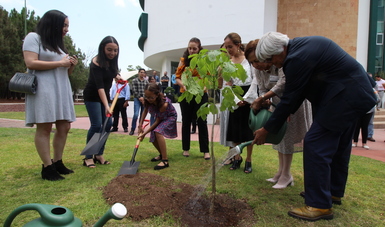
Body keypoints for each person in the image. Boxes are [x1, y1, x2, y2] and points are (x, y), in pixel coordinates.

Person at [252, 32, 376, 221]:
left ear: (280, 50)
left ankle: (319, 205)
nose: (272, 64)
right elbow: (299, 93)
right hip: (353, 94)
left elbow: (291, 98)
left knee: (315, 144)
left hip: (345, 97)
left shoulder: (296, 58)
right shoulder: (302, 46)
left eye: (271, 59)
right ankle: (332, 192)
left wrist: (266, 129)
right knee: (338, 146)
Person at [244, 39, 312, 186]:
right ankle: (280, 172)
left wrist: (264, 97)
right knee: (279, 137)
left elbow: (284, 82)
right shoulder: (258, 70)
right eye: (252, 63)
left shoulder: (279, 63)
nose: (256, 65)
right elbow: (261, 88)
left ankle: (286, 175)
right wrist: (265, 100)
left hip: (292, 104)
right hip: (276, 105)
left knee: (287, 137)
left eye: (257, 60)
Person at [22, 10, 78, 181]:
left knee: (64, 127)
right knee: (45, 128)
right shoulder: (34, 38)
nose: (66, 29)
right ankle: (47, 167)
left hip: (61, 89)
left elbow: (65, 72)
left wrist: (70, 65)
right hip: (43, 89)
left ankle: (57, 161)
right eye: (64, 25)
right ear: (53, 23)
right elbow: (30, 62)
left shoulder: (58, 45)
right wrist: (60, 62)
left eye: (68, 26)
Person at [82, 36, 121, 168]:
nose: (112, 53)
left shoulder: (112, 62)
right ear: (102, 48)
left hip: (104, 96)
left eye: (115, 50)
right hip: (92, 96)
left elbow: (113, 73)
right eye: (109, 50)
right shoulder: (96, 63)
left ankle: (99, 154)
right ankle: (88, 157)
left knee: (108, 123)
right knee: (97, 125)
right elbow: (100, 87)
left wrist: (119, 77)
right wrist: (106, 106)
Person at [220, 32, 255, 173]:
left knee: (248, 131)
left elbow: (255, 80)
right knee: (235, 131)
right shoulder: (228, 63)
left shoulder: (249, 59)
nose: (228, 50)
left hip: (249, 95)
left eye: (230, 47)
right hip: (234, 97)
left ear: (238, 44)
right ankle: (236, 158)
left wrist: (246, 99)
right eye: (226, 47)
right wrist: (236, 100)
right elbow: (227, 84)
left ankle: (248, 159)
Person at [175, 37, 210, 160]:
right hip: (186, 95)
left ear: (199, 48)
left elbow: (208, 77)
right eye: (190, 48)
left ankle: (205, 151)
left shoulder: (204, 60)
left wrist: (204, 86)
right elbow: (177, 77)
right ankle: (185, 149)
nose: (192, 50)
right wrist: (183, 85)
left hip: (201, 94)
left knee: (202, 122)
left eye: (194, 48)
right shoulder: (183, 61)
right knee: (186, 121)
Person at [138, 83, 178, 170]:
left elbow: (157, 121)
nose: (149, 99)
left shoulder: (163, 104)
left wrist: (144, 134)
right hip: (160, 118)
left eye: (151, 97)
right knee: (153, 137)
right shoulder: (148, 101)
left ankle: (165, 160)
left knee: (157, 132)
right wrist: (140, 125)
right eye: (146, 97)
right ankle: (162, 154)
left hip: (169, 117)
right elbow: (145, 111)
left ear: (157, 95)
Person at [129, 68, 149, 135]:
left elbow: (147, 91)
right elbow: (134, 90)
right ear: (138, 73)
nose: (142, 73)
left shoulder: (146, 82)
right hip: (137, 99)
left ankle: (140, 129)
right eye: (141, 72)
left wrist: (144, 98)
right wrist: (140, 97)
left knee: (142, 115)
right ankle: (132, 129)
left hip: (144, 100)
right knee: (136, 114)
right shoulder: (134, 80)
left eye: (143, 72)